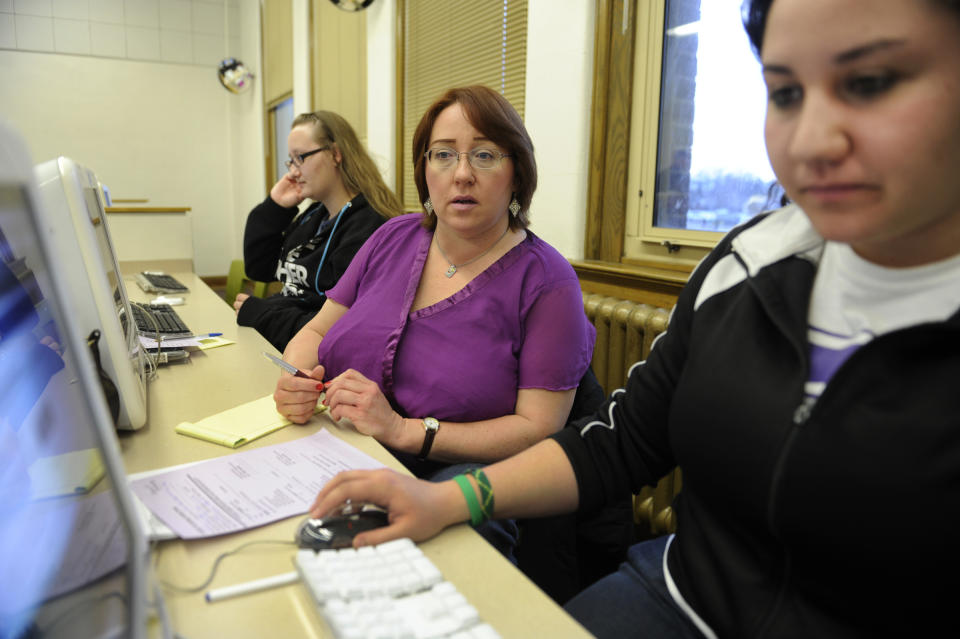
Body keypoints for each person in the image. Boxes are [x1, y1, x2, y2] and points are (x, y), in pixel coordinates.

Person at [306, 0, 960, 636]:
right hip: (679, 597)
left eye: (870, 83)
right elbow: (622, 442)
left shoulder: (542, 276)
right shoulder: (746, 263)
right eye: (786, 93)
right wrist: (446, 499)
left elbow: (538, 424)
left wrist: (417, 442)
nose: (813, 140)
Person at [273, 85, 596, 559]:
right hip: (343, 451)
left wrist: (404, 429)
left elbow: (539, 430)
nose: (462, 174)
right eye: (444, 155)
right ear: (425, 170)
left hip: (452, 485)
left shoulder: (548, 281)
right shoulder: (392, 236)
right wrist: (296, 379)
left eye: (485, 155)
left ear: (517, 173)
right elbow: (316, 331)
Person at [235, 110, 403, 352]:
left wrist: (263, 314)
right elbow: (259, 268)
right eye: (291, 161)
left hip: (312, 361)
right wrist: (274, 206)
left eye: (300, 157)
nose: (293, 171)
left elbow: (338, 331)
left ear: (335, 154)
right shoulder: (315, 215)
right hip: (281, 343)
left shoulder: (369, 227)